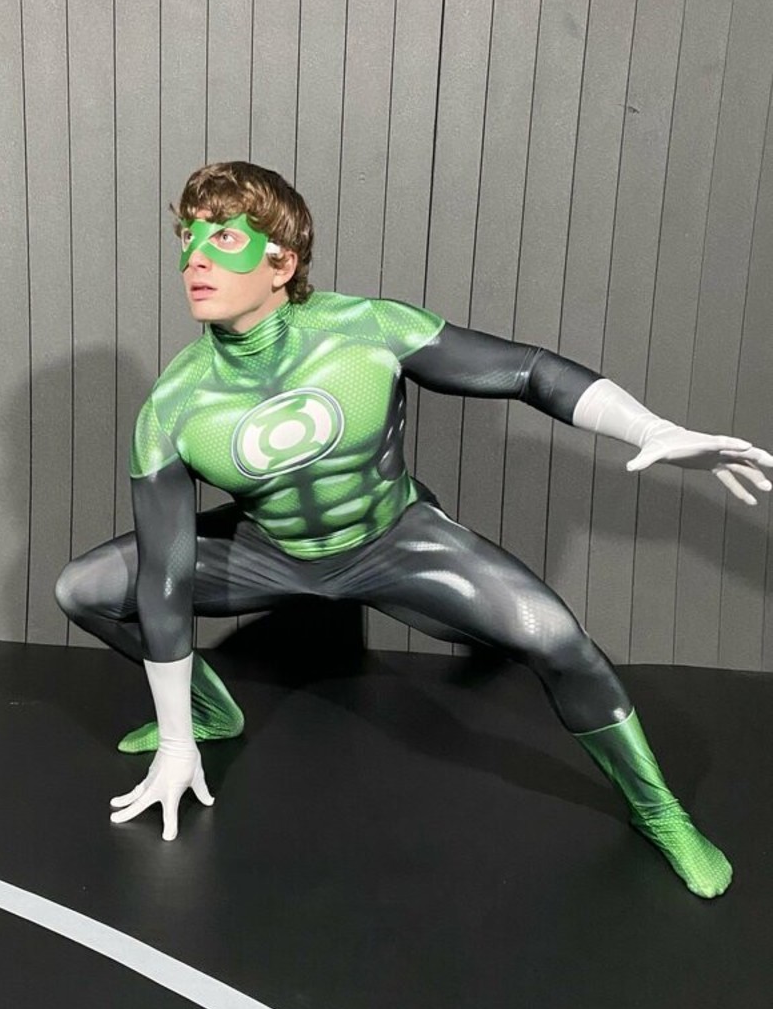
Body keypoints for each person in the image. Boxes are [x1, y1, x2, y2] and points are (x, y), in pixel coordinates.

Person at [55, 161, 772, 897]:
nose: (195, 259)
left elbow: (527, 372)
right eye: (187, 238)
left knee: (557, 639)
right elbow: (166, 576)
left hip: (393, 542)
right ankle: (209, 713)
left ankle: (659, 810)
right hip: (271, 554)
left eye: (224, 238)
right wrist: (176, 741)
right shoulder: (173, 407)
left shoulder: (367, 329)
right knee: (82, 589)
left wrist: (650, 429)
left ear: (282, 262)